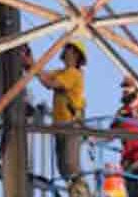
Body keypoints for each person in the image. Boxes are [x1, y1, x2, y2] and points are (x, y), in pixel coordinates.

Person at [24, 40, 89, 197]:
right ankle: (74, 191)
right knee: (62, 167)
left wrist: (32, 66)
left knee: (70, 164)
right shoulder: (62, 72)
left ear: (75, 55)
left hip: (70, 125)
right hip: (60, 125)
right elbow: (43, 74)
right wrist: (30, 60)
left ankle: (81, 192)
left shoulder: (74, 74)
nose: (65, 52)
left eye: (69, 50)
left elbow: (49, 83)